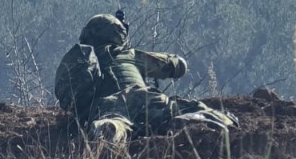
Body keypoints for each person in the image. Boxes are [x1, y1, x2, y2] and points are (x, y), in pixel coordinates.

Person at [57, 13, 237, 143]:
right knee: (180, 109)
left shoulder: (86, 59)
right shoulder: (130, 55)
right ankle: (202, 121)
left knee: (118, 123)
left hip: (108, 104)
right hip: (143, 96)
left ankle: (110, 129)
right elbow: (178, 65)